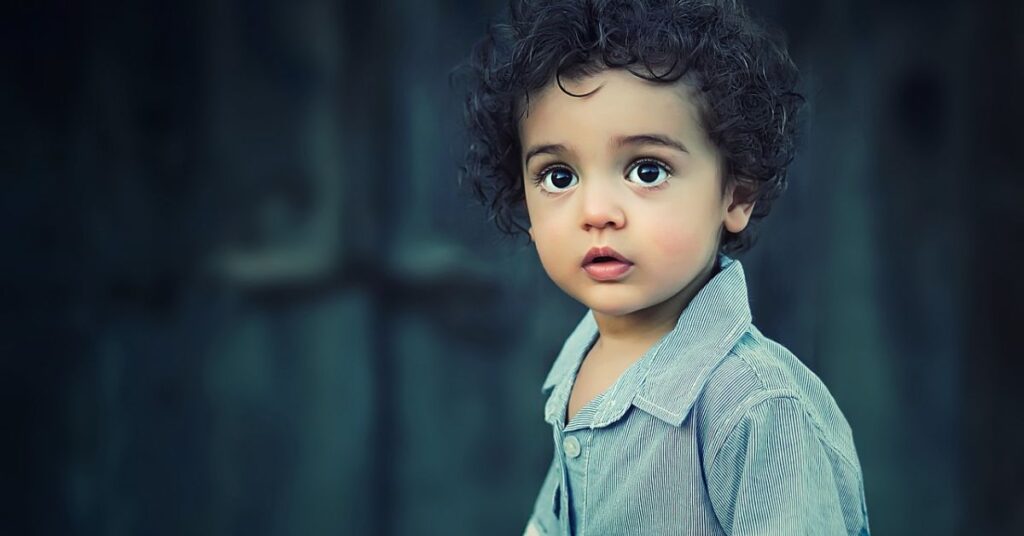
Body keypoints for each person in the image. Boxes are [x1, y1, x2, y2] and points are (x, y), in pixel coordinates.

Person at [454, 0, 870, 534]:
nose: (597, 212)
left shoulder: (759, 408)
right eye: (558, 177)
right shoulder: (580, 364)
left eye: (647, 170)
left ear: (735, 195)